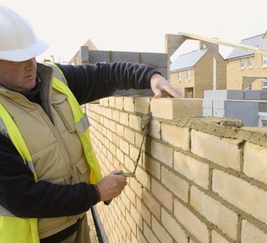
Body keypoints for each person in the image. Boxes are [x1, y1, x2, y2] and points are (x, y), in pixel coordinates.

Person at [0, 4, 182, 243]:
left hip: (78, 224)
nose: (31, 65)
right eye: (18, 59)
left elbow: (105, 74)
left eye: (32, 54)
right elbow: (23, 198)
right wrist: (96, 192)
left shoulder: (54, 80)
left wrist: (150, 76)